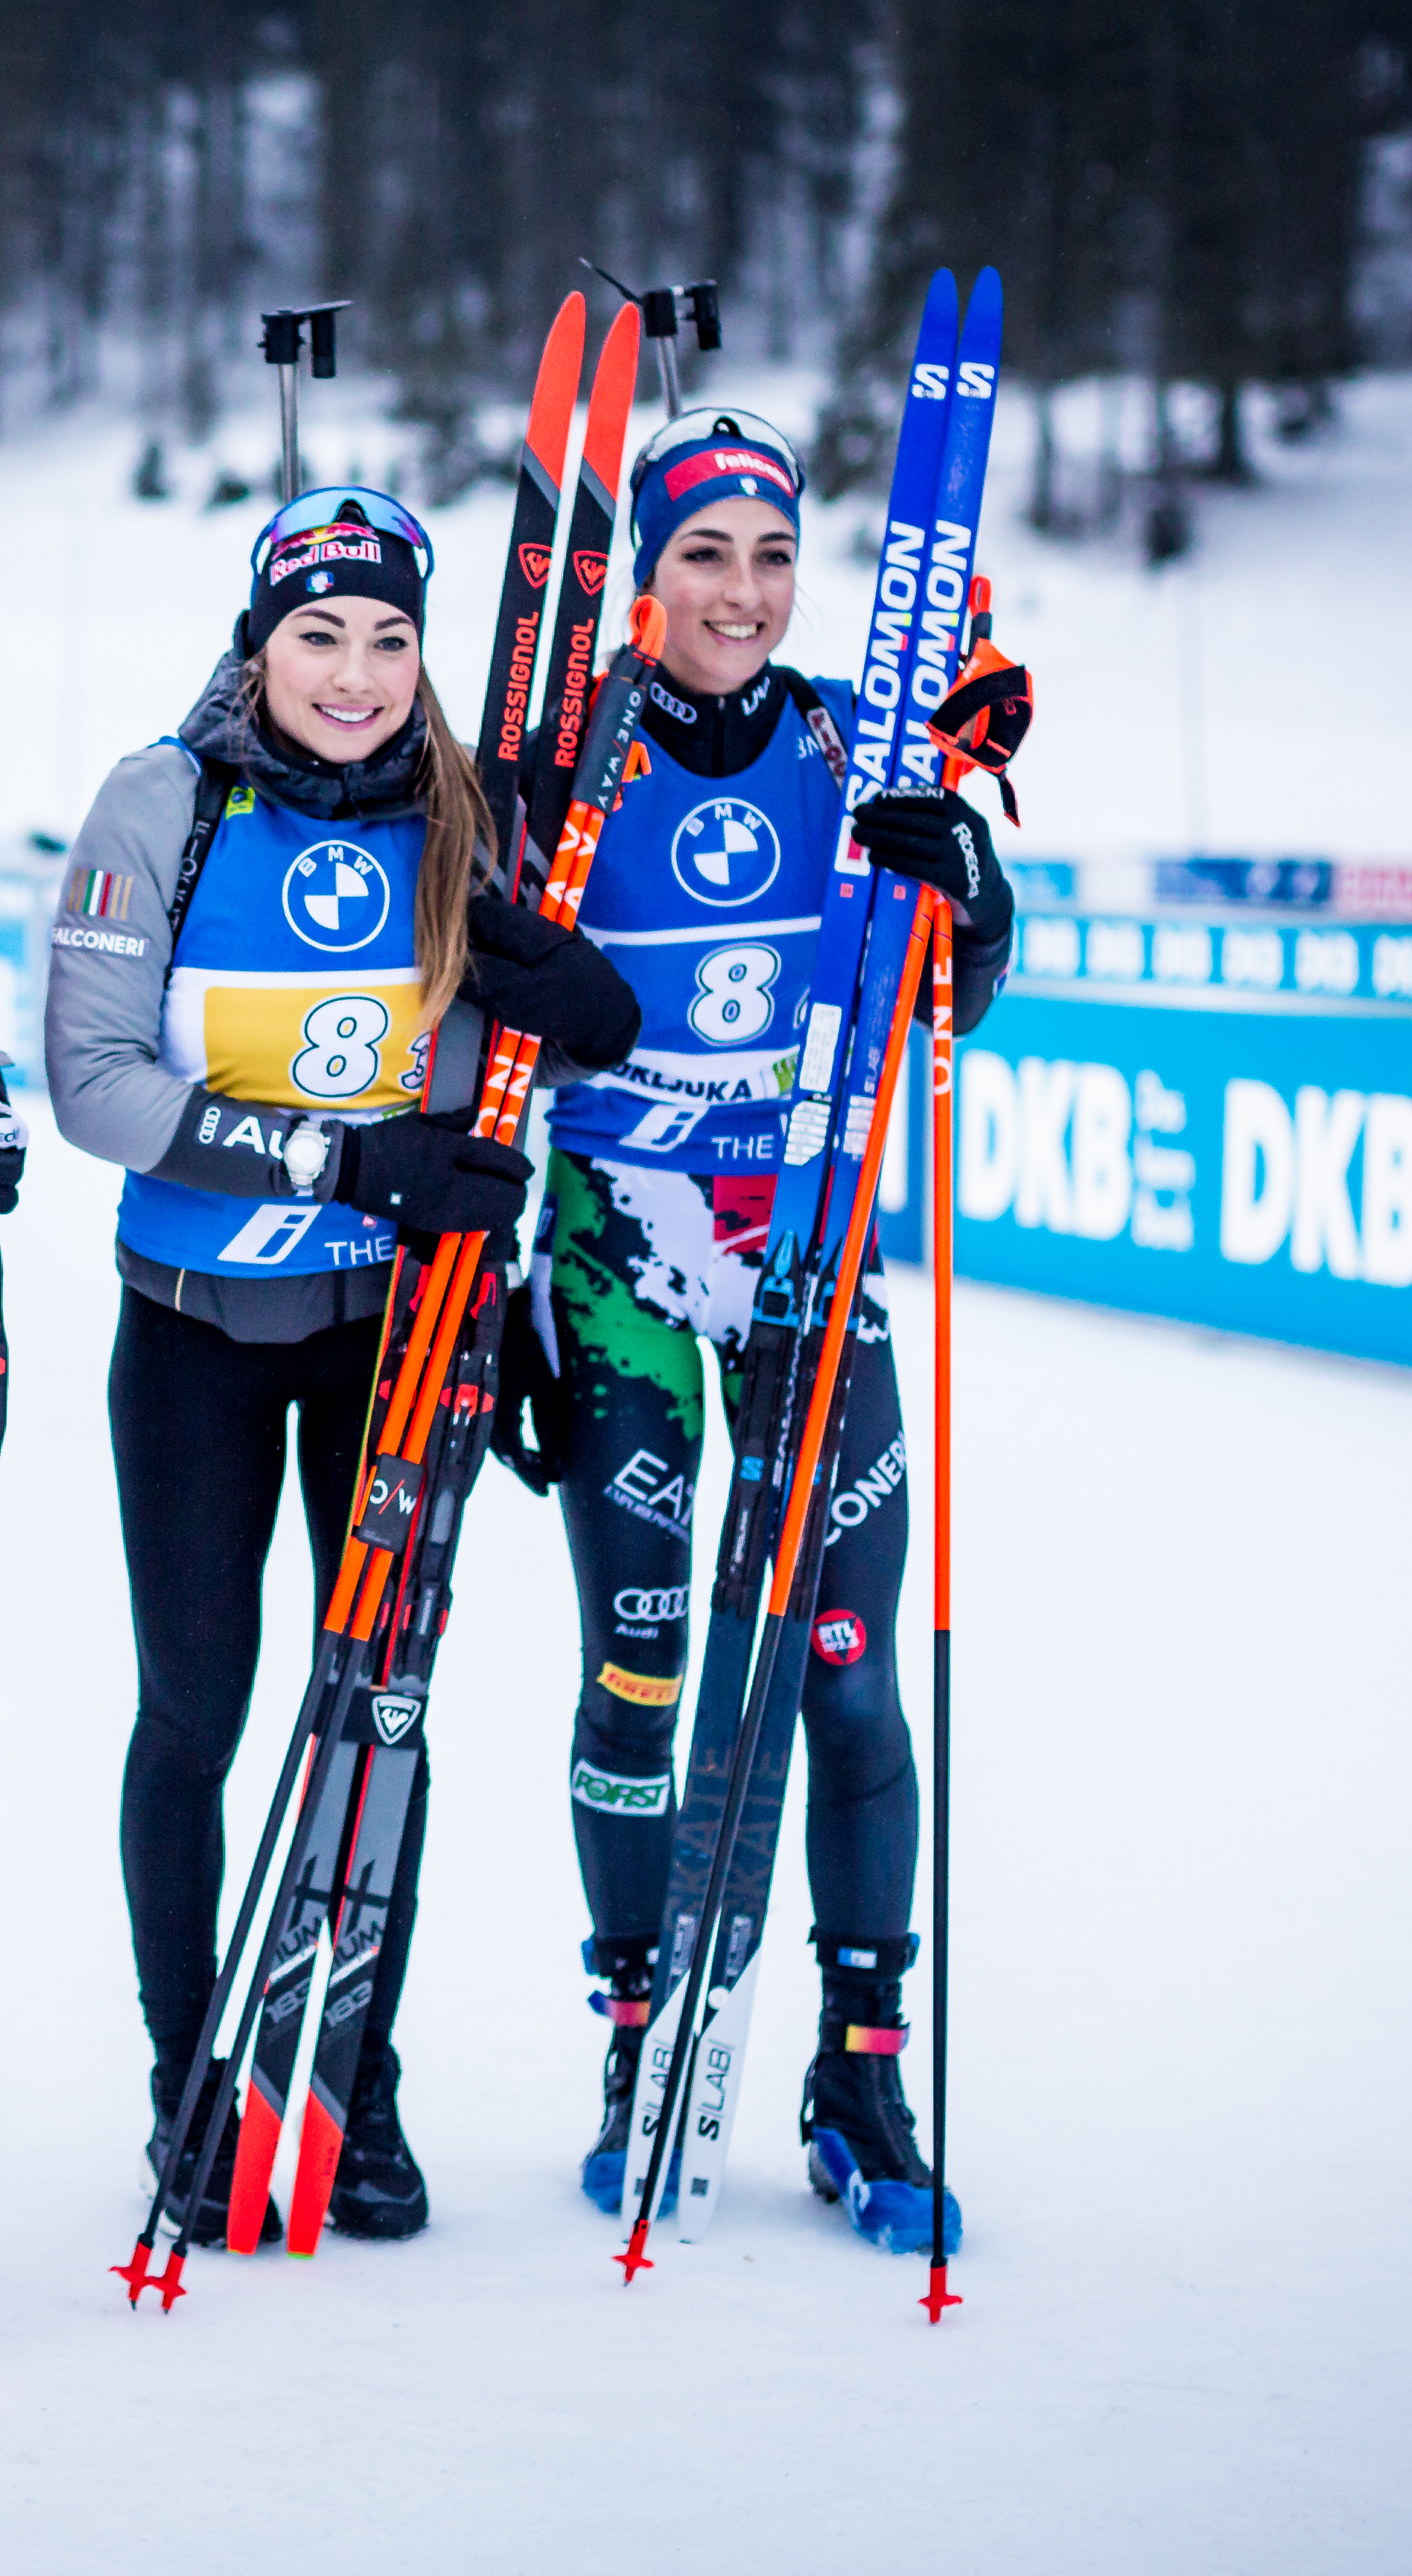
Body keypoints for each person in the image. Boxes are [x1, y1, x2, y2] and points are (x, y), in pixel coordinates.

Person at [40, 487, 642, 2243]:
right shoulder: (165, 800)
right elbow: (94, 1084)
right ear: (257, 639)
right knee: (200, 1708)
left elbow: (570, 1032)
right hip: (196, 1327)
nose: (357, 672)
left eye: (391, 638)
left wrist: (543, 979)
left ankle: (347, 2072)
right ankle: (191, 2073)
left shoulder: (468, 815)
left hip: (399, 1334)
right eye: (319, 633)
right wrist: (339, 1156)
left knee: (378, 1709)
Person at [494, 407, 1015, 2253]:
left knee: (847, 1664)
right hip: (615, 1258)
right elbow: (476, 1000)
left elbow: (955, 980)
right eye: (705, 553)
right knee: (641, 1661)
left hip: (806, 1259)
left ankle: (857, 2065)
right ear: (643, 574)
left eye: (773, 558)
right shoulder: (569, 755)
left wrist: (965, 880)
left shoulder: (840, 743)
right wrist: (501, 1306)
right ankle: (643, 2025)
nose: (741, 590)